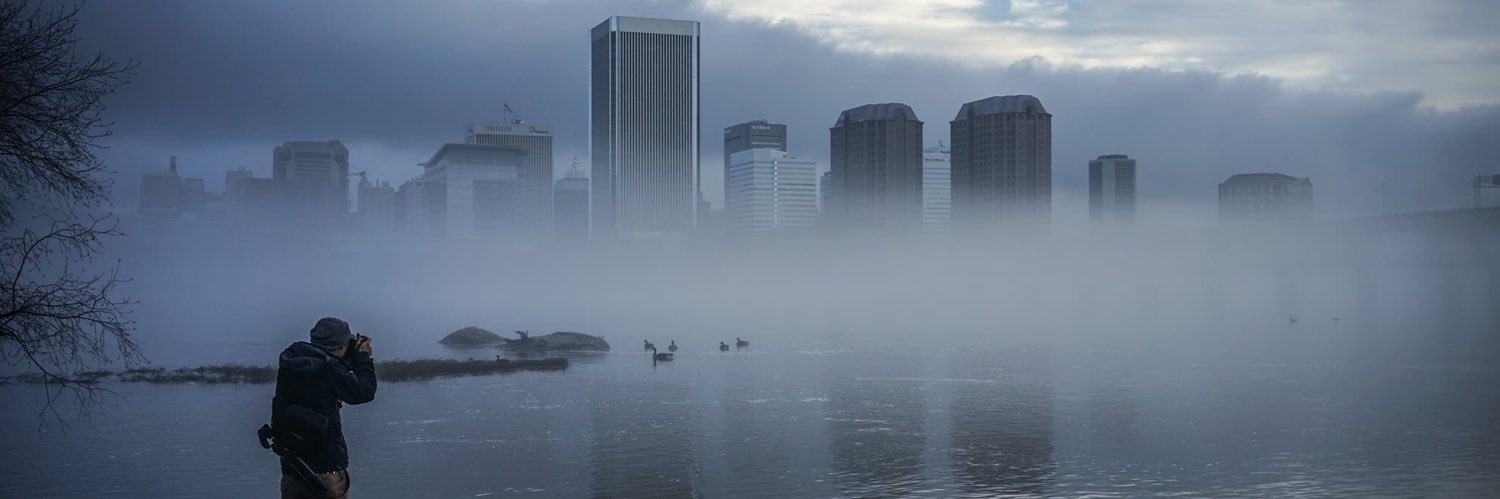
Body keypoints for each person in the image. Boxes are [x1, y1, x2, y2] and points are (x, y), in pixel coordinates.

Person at [272, 317, 377, 499]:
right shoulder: (329, 368)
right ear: (341, 344)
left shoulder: (292, 361)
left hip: (294, 465)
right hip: (326, 469)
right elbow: (363, 392)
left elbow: (322, 378)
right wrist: (362, 358)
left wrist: (343, 358)